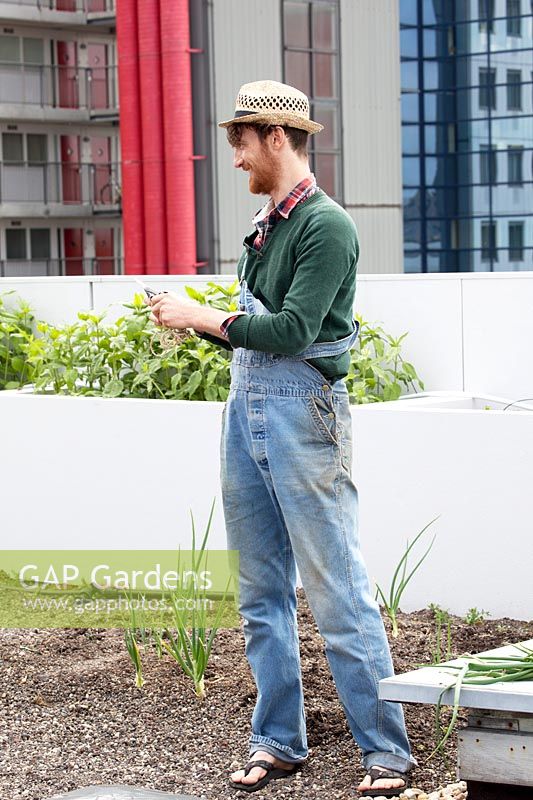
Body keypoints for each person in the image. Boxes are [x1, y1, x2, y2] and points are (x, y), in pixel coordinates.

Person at [149, 80, 416, 798]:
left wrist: (200, 314)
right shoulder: (267, 226)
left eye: (239, 141)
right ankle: (277, 741)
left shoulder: (326, 226)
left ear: (274, 136)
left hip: (304, 416)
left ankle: (385, 751)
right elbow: (256, 340)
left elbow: (296, 331)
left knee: (337, 592)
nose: (233, 158)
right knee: (260, 591)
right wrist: (187, 324)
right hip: (249, 411)